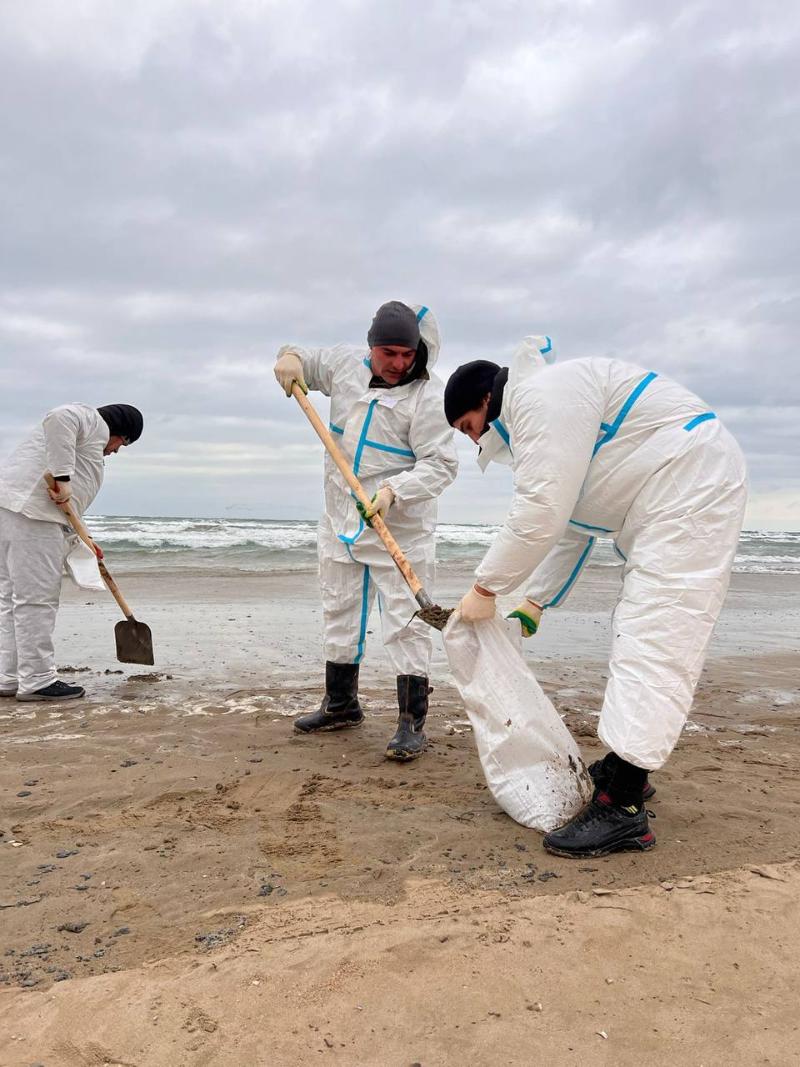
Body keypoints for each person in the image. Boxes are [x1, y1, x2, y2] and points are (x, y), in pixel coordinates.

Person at [444, 336, 747, 856]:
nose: (477, 444)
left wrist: (484, 587)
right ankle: (626, 769)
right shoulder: (547, 412)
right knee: (640, 627)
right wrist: (535, 602)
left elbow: (541, 509)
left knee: (657, 632)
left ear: (486, 401)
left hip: (690, 482)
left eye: (471, 429)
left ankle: (624, 807)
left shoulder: (538, 398)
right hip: (670, 488)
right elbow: (571, 526)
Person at [274, 301, 457, 760]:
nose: (398, 364)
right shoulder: (343, 366)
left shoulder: (427, 398)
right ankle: (341, 705)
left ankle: (411, 722)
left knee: (405, 621)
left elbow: (442, 464)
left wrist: (395, 491)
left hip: (400, 527)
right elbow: (303, 359)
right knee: (339, 607)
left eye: (406, 355)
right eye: (388, 353)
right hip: (341, 519)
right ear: (371, 346)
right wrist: (289, 358)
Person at [0, 403, 143, 702]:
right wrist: (63, 478)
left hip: (17, 512)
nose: (115, 451)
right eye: (123, 444)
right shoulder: (90, 420)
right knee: (36, 601)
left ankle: (9, 677)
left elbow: (70, 504)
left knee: (13, 600)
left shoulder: (86, 437)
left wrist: (84, 537)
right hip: (33, 518)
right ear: (119, 430)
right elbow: (59, 417)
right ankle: (38, 680)